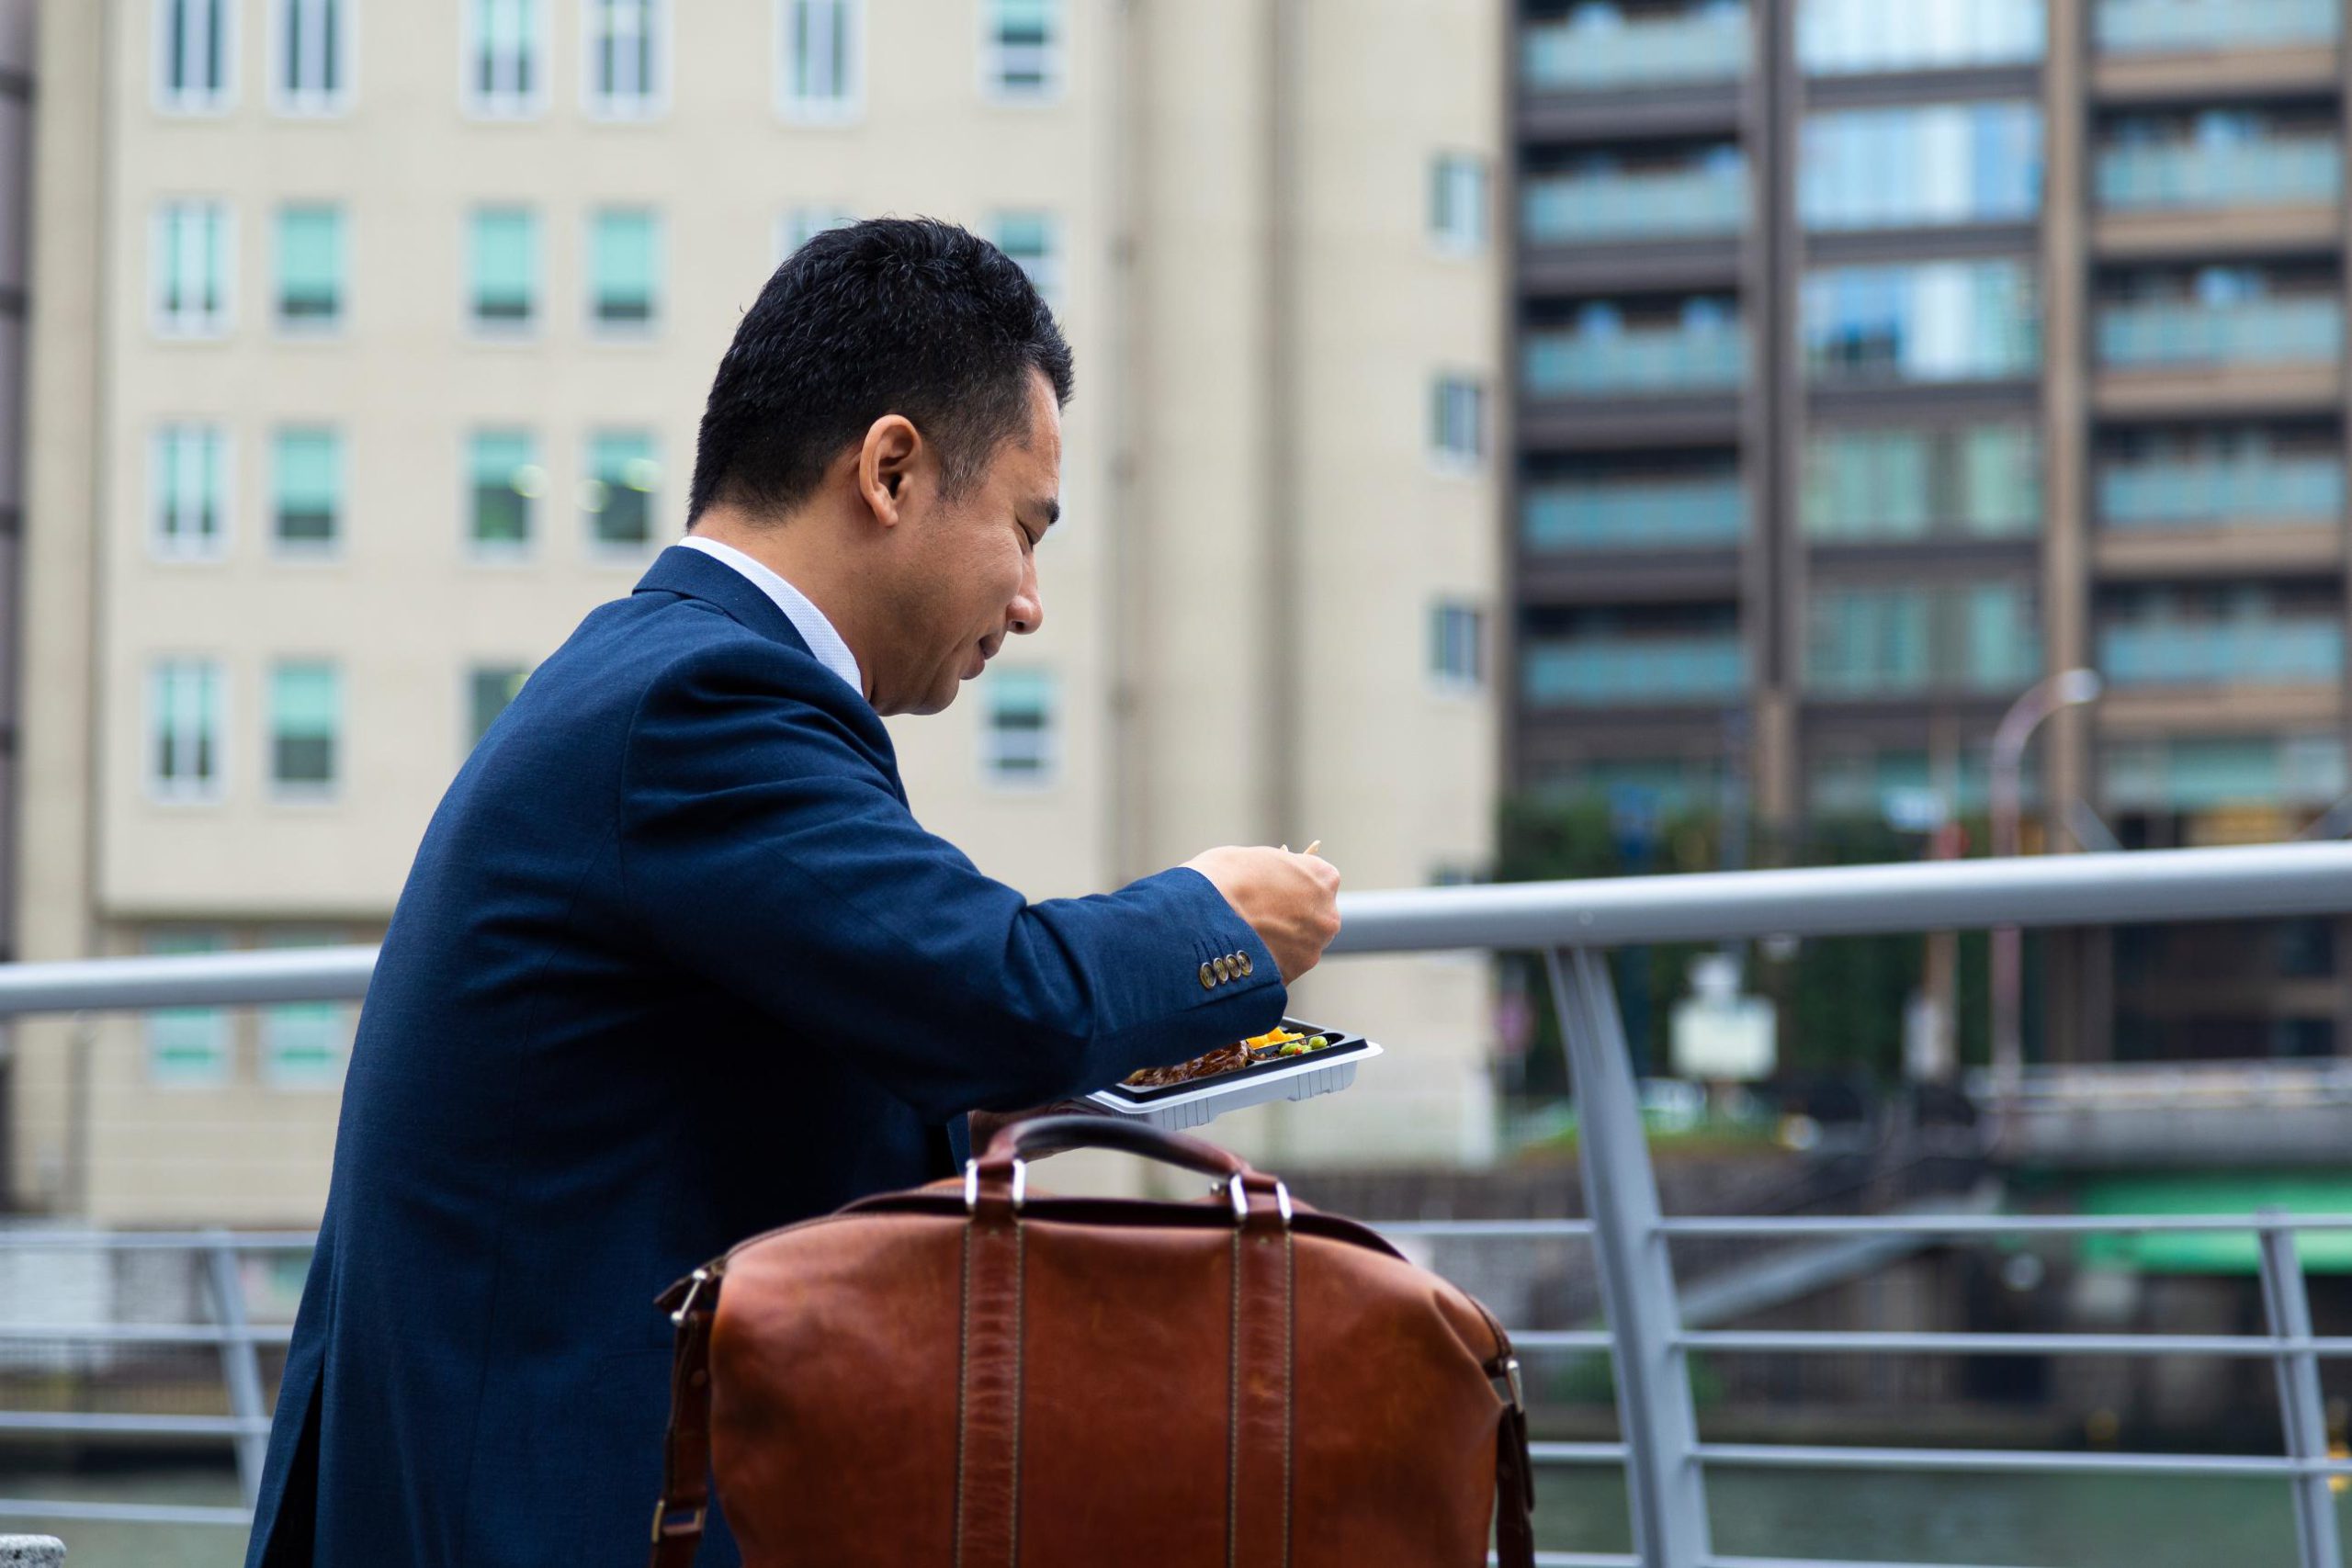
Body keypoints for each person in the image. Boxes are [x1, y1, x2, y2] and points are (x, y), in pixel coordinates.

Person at [242, 218, 1342, 1566]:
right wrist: (1224, 923)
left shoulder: (647, 670)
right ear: (890, 471)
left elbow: (876, 1017)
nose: (1030, 601)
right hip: (548, 1511)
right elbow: (1007, 995)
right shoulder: (706, 701)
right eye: (1024, 528)